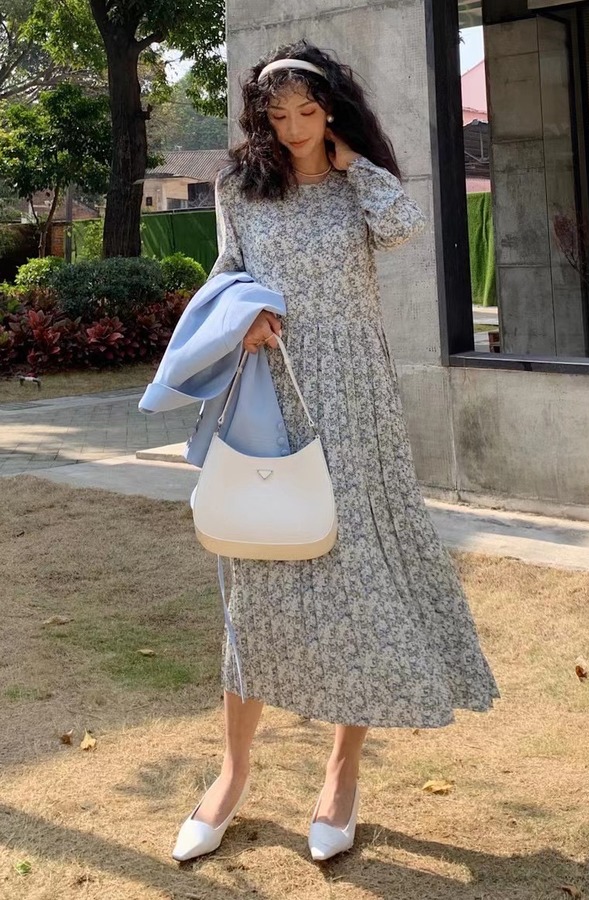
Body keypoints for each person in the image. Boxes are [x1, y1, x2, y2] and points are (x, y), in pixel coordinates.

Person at [172, 38, 500, 864]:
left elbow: (405, 226)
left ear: (332, 110)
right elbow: (225, 271)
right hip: (273, 391)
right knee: (258, 581)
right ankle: (231, 774)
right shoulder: (241, 186)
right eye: (277, 115)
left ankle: (340, 775)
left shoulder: (361, 185)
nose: (292, 129)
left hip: (357, 398)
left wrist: (352, 160)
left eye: (307, 112)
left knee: (361, 578)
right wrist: (245, 313)